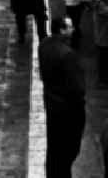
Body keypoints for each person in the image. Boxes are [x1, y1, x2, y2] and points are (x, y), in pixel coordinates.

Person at [38, 16, 86, 178]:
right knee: (69, 150)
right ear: (62, 30)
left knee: (54, 148)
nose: (73, 30)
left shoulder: (44, 44)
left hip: (52, 104)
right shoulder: (68, 55)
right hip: (68, 110)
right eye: (70, 27)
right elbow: (78, 88)